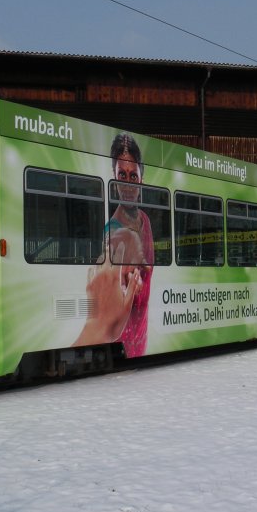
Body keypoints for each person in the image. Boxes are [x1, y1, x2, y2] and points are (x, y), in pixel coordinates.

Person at [74, 134, 154, 355]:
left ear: (141, 179)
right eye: (121, 175)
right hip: (120, 336)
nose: (127, 184)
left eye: (132, 176)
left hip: (142, 334)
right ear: (113, 177)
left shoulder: (145, 222)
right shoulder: (113, 230)